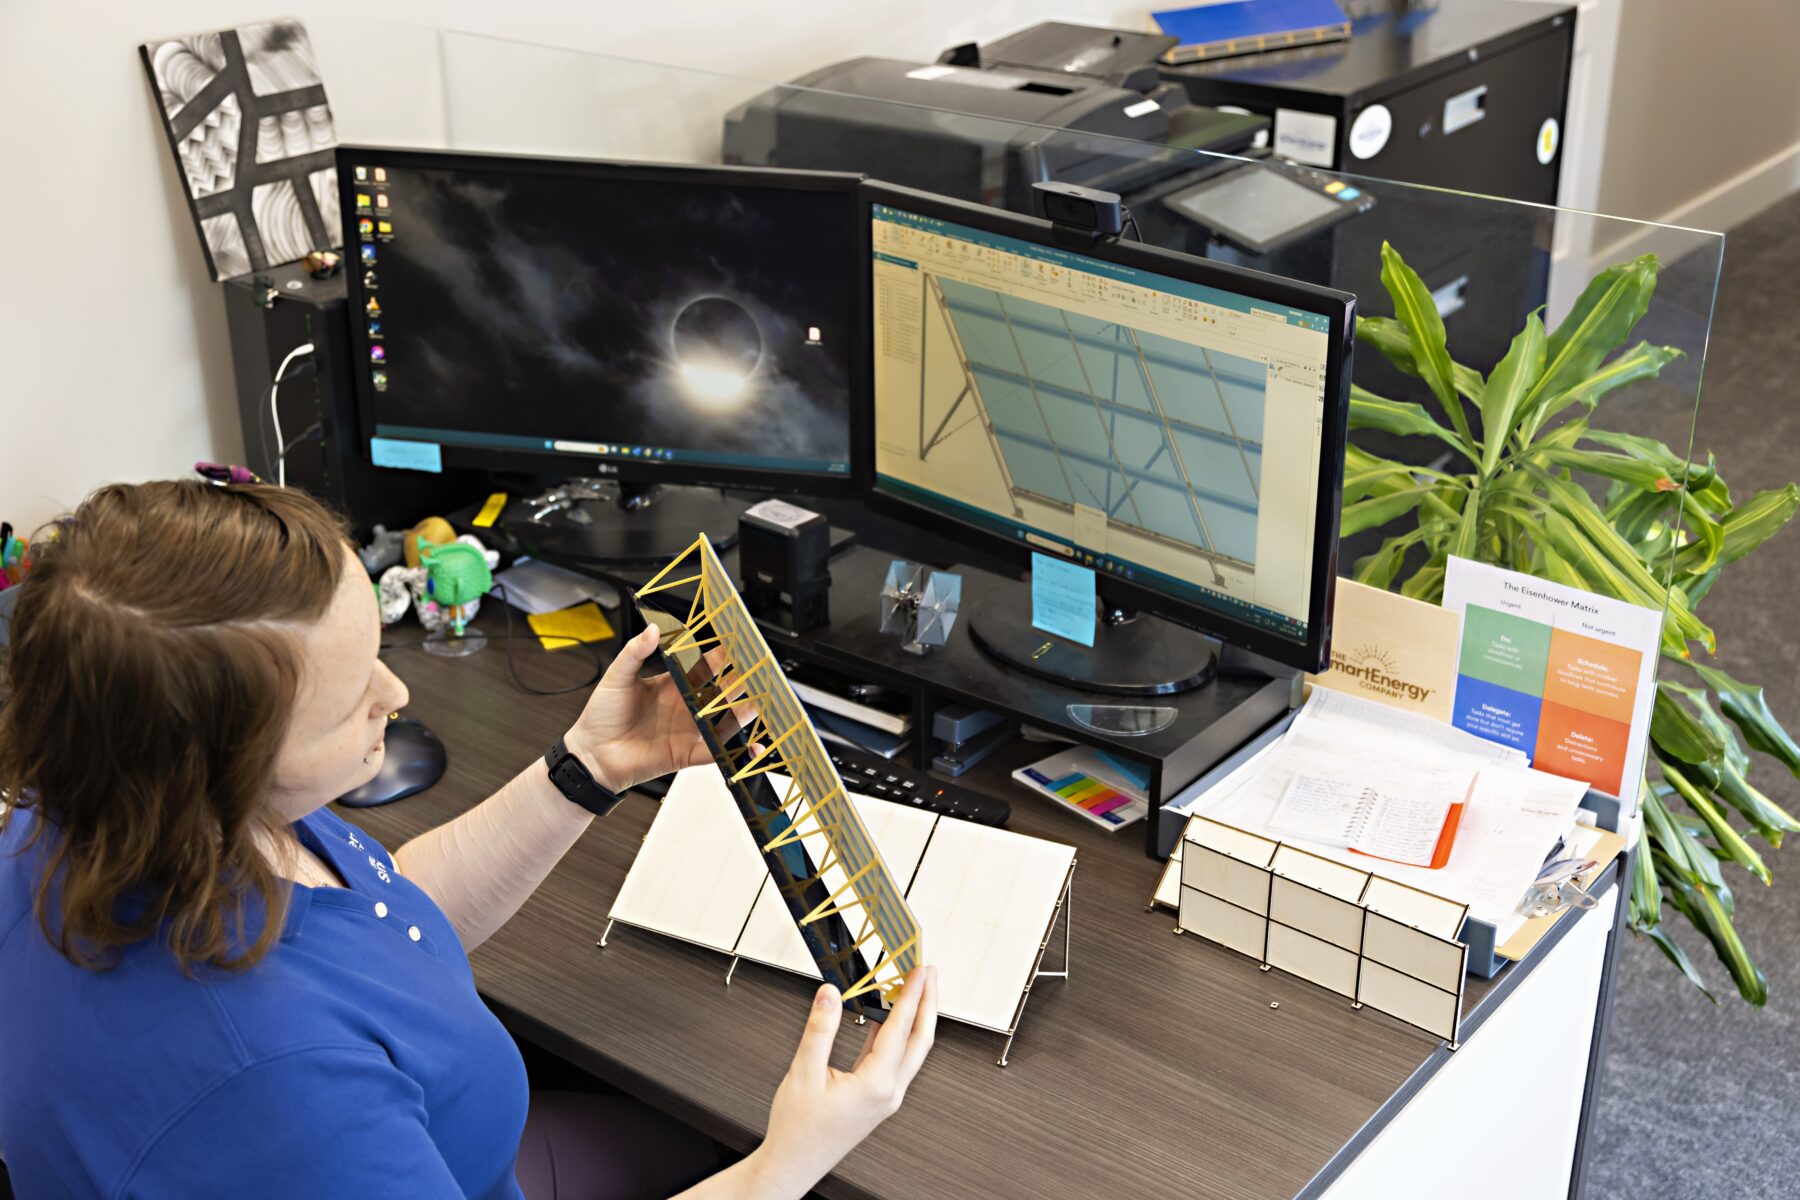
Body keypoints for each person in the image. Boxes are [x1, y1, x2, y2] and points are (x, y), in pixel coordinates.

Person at [0, 481, 937, 1199]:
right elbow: (305, 1045)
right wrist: (786, 1163)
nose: (394, 695)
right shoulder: (274, 1090)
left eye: (375, 649)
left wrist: (590, 768)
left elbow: (372, 923)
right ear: (214, 764)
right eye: (344, 706)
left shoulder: (96, 800)